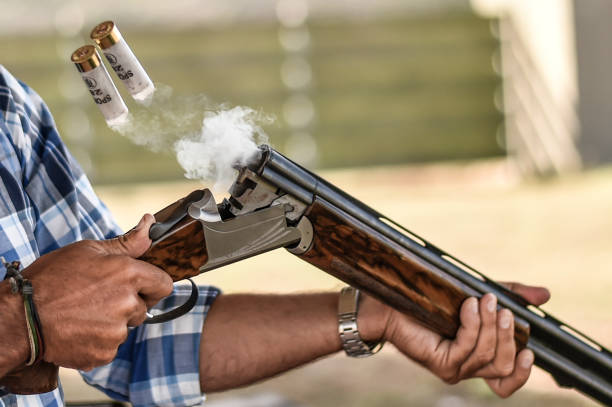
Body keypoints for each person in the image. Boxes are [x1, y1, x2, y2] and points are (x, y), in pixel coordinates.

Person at [0, 65, 550, 407]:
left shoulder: (11, 112)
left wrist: (383, 310)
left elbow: (131, 340)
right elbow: (52, 316)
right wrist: (22, 324)